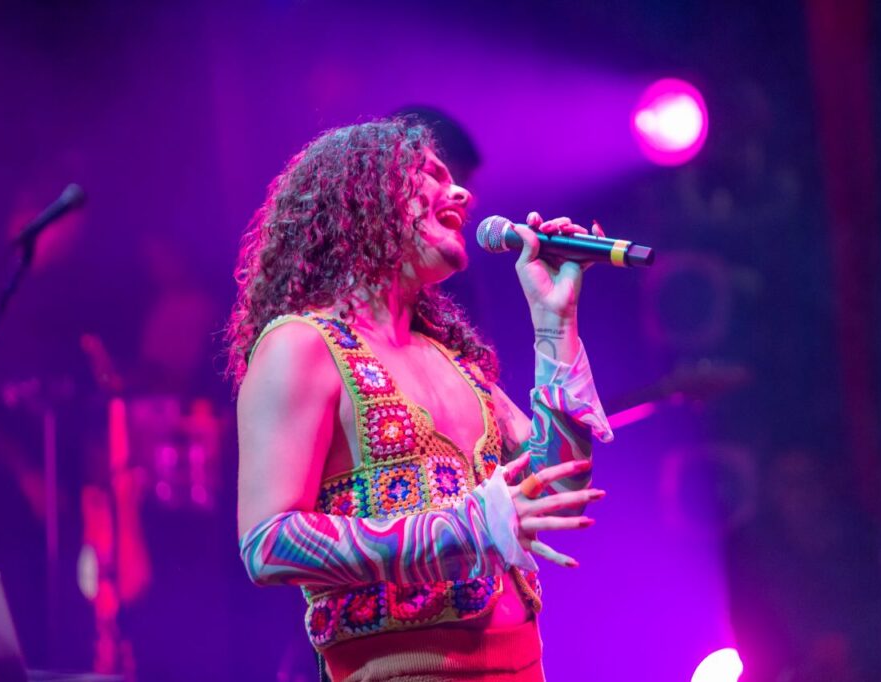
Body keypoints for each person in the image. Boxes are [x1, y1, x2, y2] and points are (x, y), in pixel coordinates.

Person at [226, 119, 612, 681]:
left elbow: (563, 493)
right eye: (431, 174)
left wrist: (555, 322)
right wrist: (466, 530)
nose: (462, 193)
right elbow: (268, 543)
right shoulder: (304, 344)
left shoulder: (459, 364)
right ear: (362, 196)